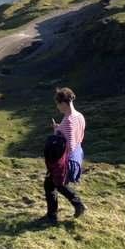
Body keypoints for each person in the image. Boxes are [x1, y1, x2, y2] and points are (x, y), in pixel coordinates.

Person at [41, 87, 86, 223]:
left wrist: (56, 136)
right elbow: (76, 137)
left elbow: (69, 146)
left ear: (63, 103)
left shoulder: (68, 121)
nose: (57, 106)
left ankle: (52, 216)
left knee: (50, 185)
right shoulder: (79, 116)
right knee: (57, 184)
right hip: (77, 155)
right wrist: (59, 130)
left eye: (57, 103)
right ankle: (77, 205)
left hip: (65, 160)